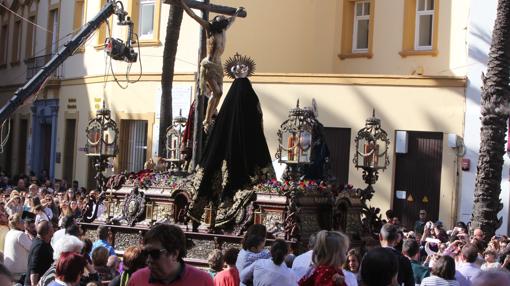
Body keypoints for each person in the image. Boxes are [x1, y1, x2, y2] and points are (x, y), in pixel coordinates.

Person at [179, 0, 245, 129]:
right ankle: (207, 120)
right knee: (217, 92)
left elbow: (231, 20)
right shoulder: (209, 28)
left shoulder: (223, 29)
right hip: (209, 64)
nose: (223, 19)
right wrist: (182, 3)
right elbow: (193, 15)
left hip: (218, 66)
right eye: (220, 18)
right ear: (215, 21)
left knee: (219, 93)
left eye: (223, 19)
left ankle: (212, 113)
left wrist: (236, 13)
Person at [127, 223, 213, 286]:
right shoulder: (137, 279)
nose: (148, 260)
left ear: (174, 254)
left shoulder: (202, 281)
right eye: (146, 253)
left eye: (154, 254)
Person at [3, 212, 32, 283]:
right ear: (18, 223)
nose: (23, 222)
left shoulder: (9, 233)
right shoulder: (20, 234)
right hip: (19, 274)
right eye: (22, 221)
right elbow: (32, 248)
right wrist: (30, 235)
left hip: (8, 270)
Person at [25, 220, 54, 286]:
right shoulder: (39, 247)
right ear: (48, 232)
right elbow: (34, 271)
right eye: (51, 226)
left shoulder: (44, 242)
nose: (53, 227)